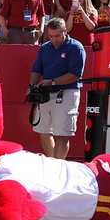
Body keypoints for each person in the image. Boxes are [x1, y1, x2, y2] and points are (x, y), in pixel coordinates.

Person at [29, 17, 85, 159]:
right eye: (51, 36)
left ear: (65, 32)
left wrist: (52, 82)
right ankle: (53, 164)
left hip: (67, 92)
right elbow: (36, 70)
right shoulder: (45, 48)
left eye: (57, 36)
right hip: (46, 93)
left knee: (62, 135)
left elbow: (75, 75)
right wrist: (32, 86)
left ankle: (58, 166)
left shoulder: (76, 47)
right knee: (43, 131)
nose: (54, 39)